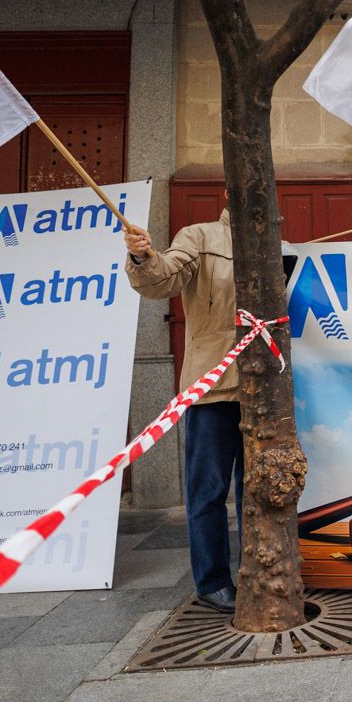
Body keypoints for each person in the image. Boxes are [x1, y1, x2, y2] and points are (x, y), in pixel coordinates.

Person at [123, 205, 244, 614]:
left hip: (265, 389)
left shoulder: (277, 243)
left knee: (257, 490)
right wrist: (144, 258)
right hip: (213, 387)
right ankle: (212, 582)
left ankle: (257, 573)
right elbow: (163, 278)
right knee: (208, 489)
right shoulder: (201, 236)